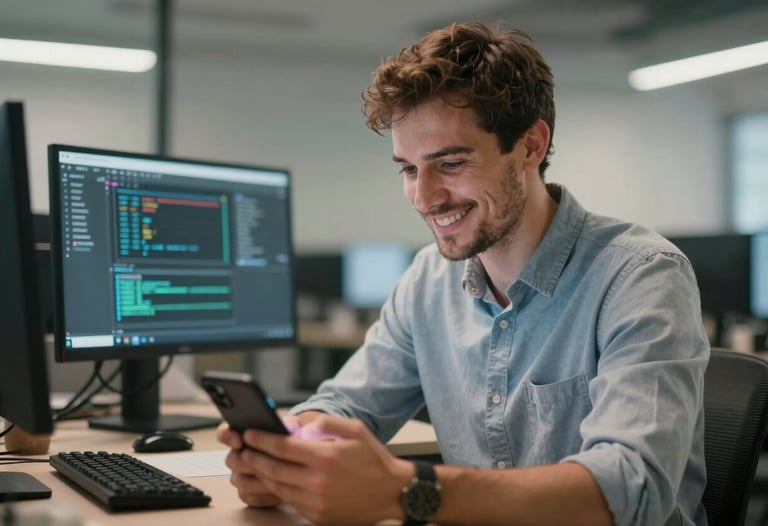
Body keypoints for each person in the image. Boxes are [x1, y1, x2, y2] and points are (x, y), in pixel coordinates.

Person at [217, 21, 709, 526]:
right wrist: (289, 450)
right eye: (408, 169)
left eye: (449, 164)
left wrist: (409, 490)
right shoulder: (429, 280)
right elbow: (348, 406)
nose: (424, 198)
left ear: (530, 146)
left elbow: (634, 486)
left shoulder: (641, 277)